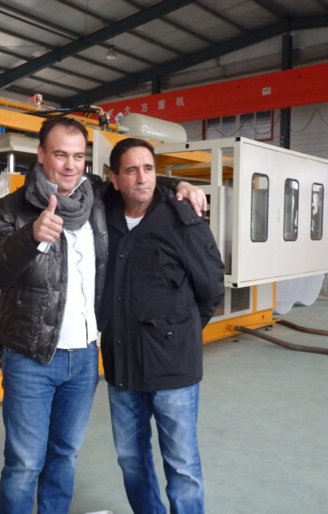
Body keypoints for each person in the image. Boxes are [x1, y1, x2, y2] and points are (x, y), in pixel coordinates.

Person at [0, 118, 206, 514]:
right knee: (24, 463)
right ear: (41, 155)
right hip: (31, 357)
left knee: (64, 455)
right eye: (60, 155)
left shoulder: (95, 198)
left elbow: (135, 179)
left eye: (78, 156)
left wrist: (179, 184)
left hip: (84, 357)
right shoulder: (10, 209)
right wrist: (29, 237)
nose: (70, 165)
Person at [99, 138, 225, 514]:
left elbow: (211, 288)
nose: (142, 178)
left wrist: (178, 332)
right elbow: (75, 180)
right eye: (131, 170)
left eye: (149, 169)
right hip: (122, 365)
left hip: (173, 370)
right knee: (130, 459)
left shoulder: (182, 219)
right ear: (114, 178)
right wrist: (176, 181)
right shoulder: (103, 212)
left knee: (182, 466)